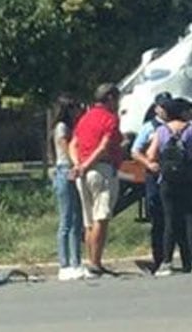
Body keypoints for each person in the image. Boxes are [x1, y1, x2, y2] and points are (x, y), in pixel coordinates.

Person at [147, 98, 192, 276]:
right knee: (191, 220)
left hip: (168, 181)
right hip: (190, 178)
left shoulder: (161, 130)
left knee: (170, 220)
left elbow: (150, 155)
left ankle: (167, 262)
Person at [131, 91, 190, 274]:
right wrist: (149, 163)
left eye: (167, 106)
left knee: (179, 219)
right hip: (155, 179)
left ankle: (187, 260)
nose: (164, 109)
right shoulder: (150, 127)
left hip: (176, 178)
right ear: (156, 108)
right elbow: (135, 150)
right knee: (159, 221)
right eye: (161, 106)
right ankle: (160, 260)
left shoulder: (182, 125)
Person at [69, 83, 123, 277]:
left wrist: (77, 164)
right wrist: (86, 165)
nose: (118, 103)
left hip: (83, 173)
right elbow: (103, 146)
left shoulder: (84, 118)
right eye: (116, 99)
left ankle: (91, 261)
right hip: (101, 170)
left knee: (89, 220)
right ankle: (95, 262)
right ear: (109, 98)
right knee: (102, 217)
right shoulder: (110, 118)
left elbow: (73, 144)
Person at [51, 95, 84, 281]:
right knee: (67, 218)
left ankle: (76, 261)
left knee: (76, 219)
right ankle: (64, 264)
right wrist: (76, 164)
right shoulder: (62, 128)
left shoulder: (72, 127)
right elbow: (66, 149)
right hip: (65, 170)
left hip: (72, 170)